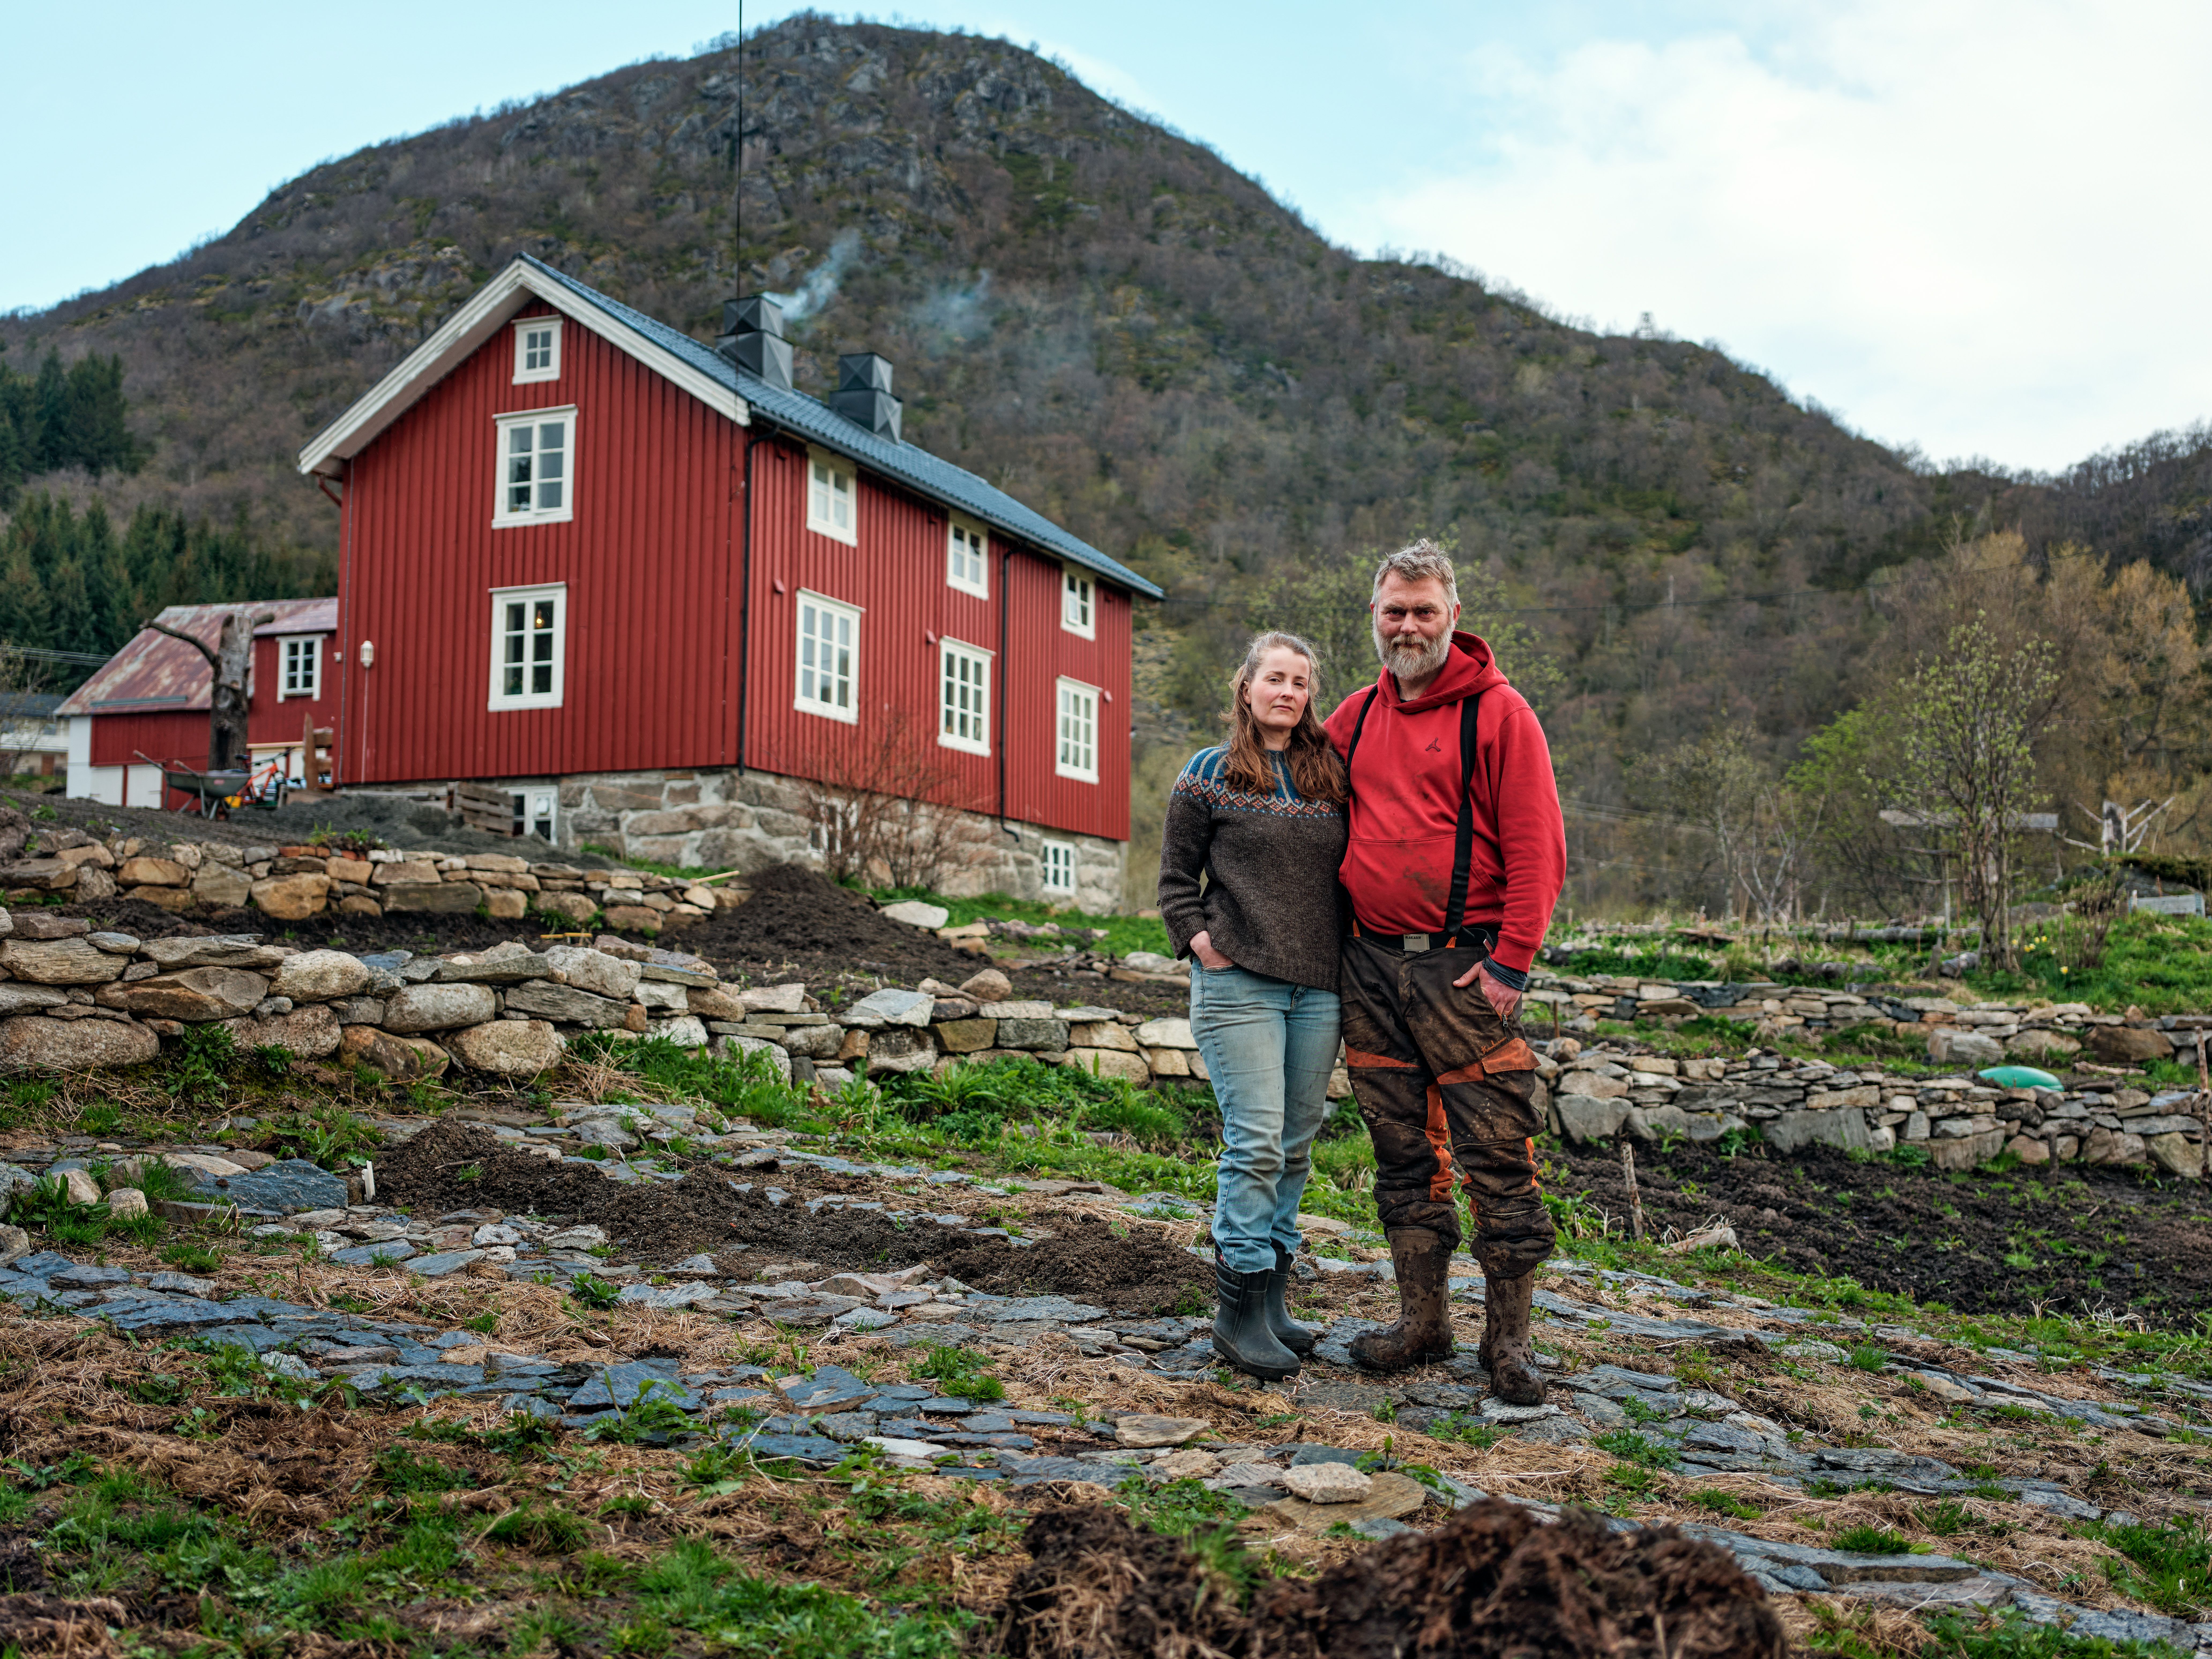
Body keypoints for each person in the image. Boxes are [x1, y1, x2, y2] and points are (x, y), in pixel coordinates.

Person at [1322, 540, 1567, 1403]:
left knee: (1497, 1148)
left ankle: (1511, 1344)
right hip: (1372, 972)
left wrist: (1512, 966)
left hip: (1466, 973)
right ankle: (1422, 1323)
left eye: (1425, 610)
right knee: (1400, 1153)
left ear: (1454, 616)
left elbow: (1541, 851)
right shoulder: (1351, 717)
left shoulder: (1502, 715)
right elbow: (1292, 811)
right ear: (1376, 617)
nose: (1410, 625)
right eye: (1395, 610)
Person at [1157, 632, 1350, 1380]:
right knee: (1257, 1142)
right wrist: (1204, 946)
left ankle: (1271, 1302)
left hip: (1318, 990)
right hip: (1239, 984)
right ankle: (1235, 1316)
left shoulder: (1329, 774)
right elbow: (1176, 880)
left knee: (1296, 1144)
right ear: (1246, 686)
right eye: (1276, 678)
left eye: (1301, 682)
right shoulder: (1207, 774)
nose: (1288, 692)